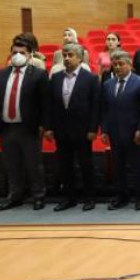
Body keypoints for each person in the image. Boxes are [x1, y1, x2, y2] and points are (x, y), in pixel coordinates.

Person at [0, 37, 49, 211]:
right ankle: (15, 196)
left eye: (22, 53)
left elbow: (45, 103)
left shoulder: (38, 75)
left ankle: (38, 196)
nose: (17, 56)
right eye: (15, 52)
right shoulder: (1, 74)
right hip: (7, 128)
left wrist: (43, 125)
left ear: (30, 55)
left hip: (29, 128)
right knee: (11, 165)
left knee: (34, 165)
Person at [47, 43, 101, 212]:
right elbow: (51, 106)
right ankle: (69, 198)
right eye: (65, 55)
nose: (67, 58)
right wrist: (49, 127)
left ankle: (89, 198)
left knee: (85, 165)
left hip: (83, 130)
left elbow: (95, 106)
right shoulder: (55, 78)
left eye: (71, 55)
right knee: (65, 166)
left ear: (79, 58)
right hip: (61, 130)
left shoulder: (90, 78)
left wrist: (93, 129)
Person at [100, 50, 140, 211]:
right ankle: (121, 196)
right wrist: (105, 130)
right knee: (118, 166)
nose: (118, 67)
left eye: (121, 64)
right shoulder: (107, 85)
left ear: (130, 65)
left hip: (134, 133)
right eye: (115, 65)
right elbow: (105, 110)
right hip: (114, 132)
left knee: (138, 166)